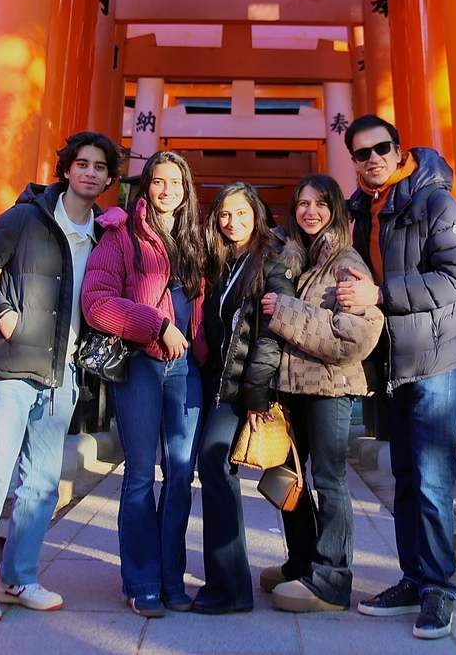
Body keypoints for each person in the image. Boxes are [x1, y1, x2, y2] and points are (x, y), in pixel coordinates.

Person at [0, 131, 123, 623]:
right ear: (66, 169)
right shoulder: (29, 218)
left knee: (43, 484)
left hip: (62, 372)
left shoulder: (104, 235)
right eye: (82, 163)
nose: (89, 172)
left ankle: (16, 577)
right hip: (10, 366)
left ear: (109, 178)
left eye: (100, 167)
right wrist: (0, 310)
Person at [339, 114, 456, 641]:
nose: (373, 159)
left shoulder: (434, 200)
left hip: (435, 357)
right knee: (404, 477)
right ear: (353, 161)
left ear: (399, 150)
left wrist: (380, 294)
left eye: (381, 148)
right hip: (391, 362)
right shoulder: (359, 211)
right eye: (362, 153)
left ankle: (439, 588)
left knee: (432, 479)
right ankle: (413, 579)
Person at [81, 151, 207, 617]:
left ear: (186, 190)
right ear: (146, 186)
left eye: (176, 182)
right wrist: (156, 325)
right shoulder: (121, 235)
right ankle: (140, 580)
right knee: (139, 475)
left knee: (181, 474)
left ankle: (171, 577)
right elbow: (96, 302)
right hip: (140, 365)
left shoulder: (196, 241)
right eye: (158, 181)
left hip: (187, 371)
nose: (167, 190)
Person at [253, 174, 385, 614]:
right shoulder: (290, 257)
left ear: (336, 210)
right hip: (289, 387)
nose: (311, 211)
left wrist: (286, 311)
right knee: (287, 477)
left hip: (330, 388)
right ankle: (301, 563)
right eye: (303, 203)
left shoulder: (347, 263)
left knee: (328, 481)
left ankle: (331, 580)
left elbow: (354, 338)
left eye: (321, 204)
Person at [195, 182, 294, 614]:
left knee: (215, 465)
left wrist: (257, 396)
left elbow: (272, 334)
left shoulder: (271, 259)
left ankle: (231, 586)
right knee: (217, 471)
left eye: (241, 213)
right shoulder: (224, 262)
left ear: (257, 214)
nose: (232, 222)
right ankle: (228, 581)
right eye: (224, 214)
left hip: (243, 389)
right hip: (220, 383)